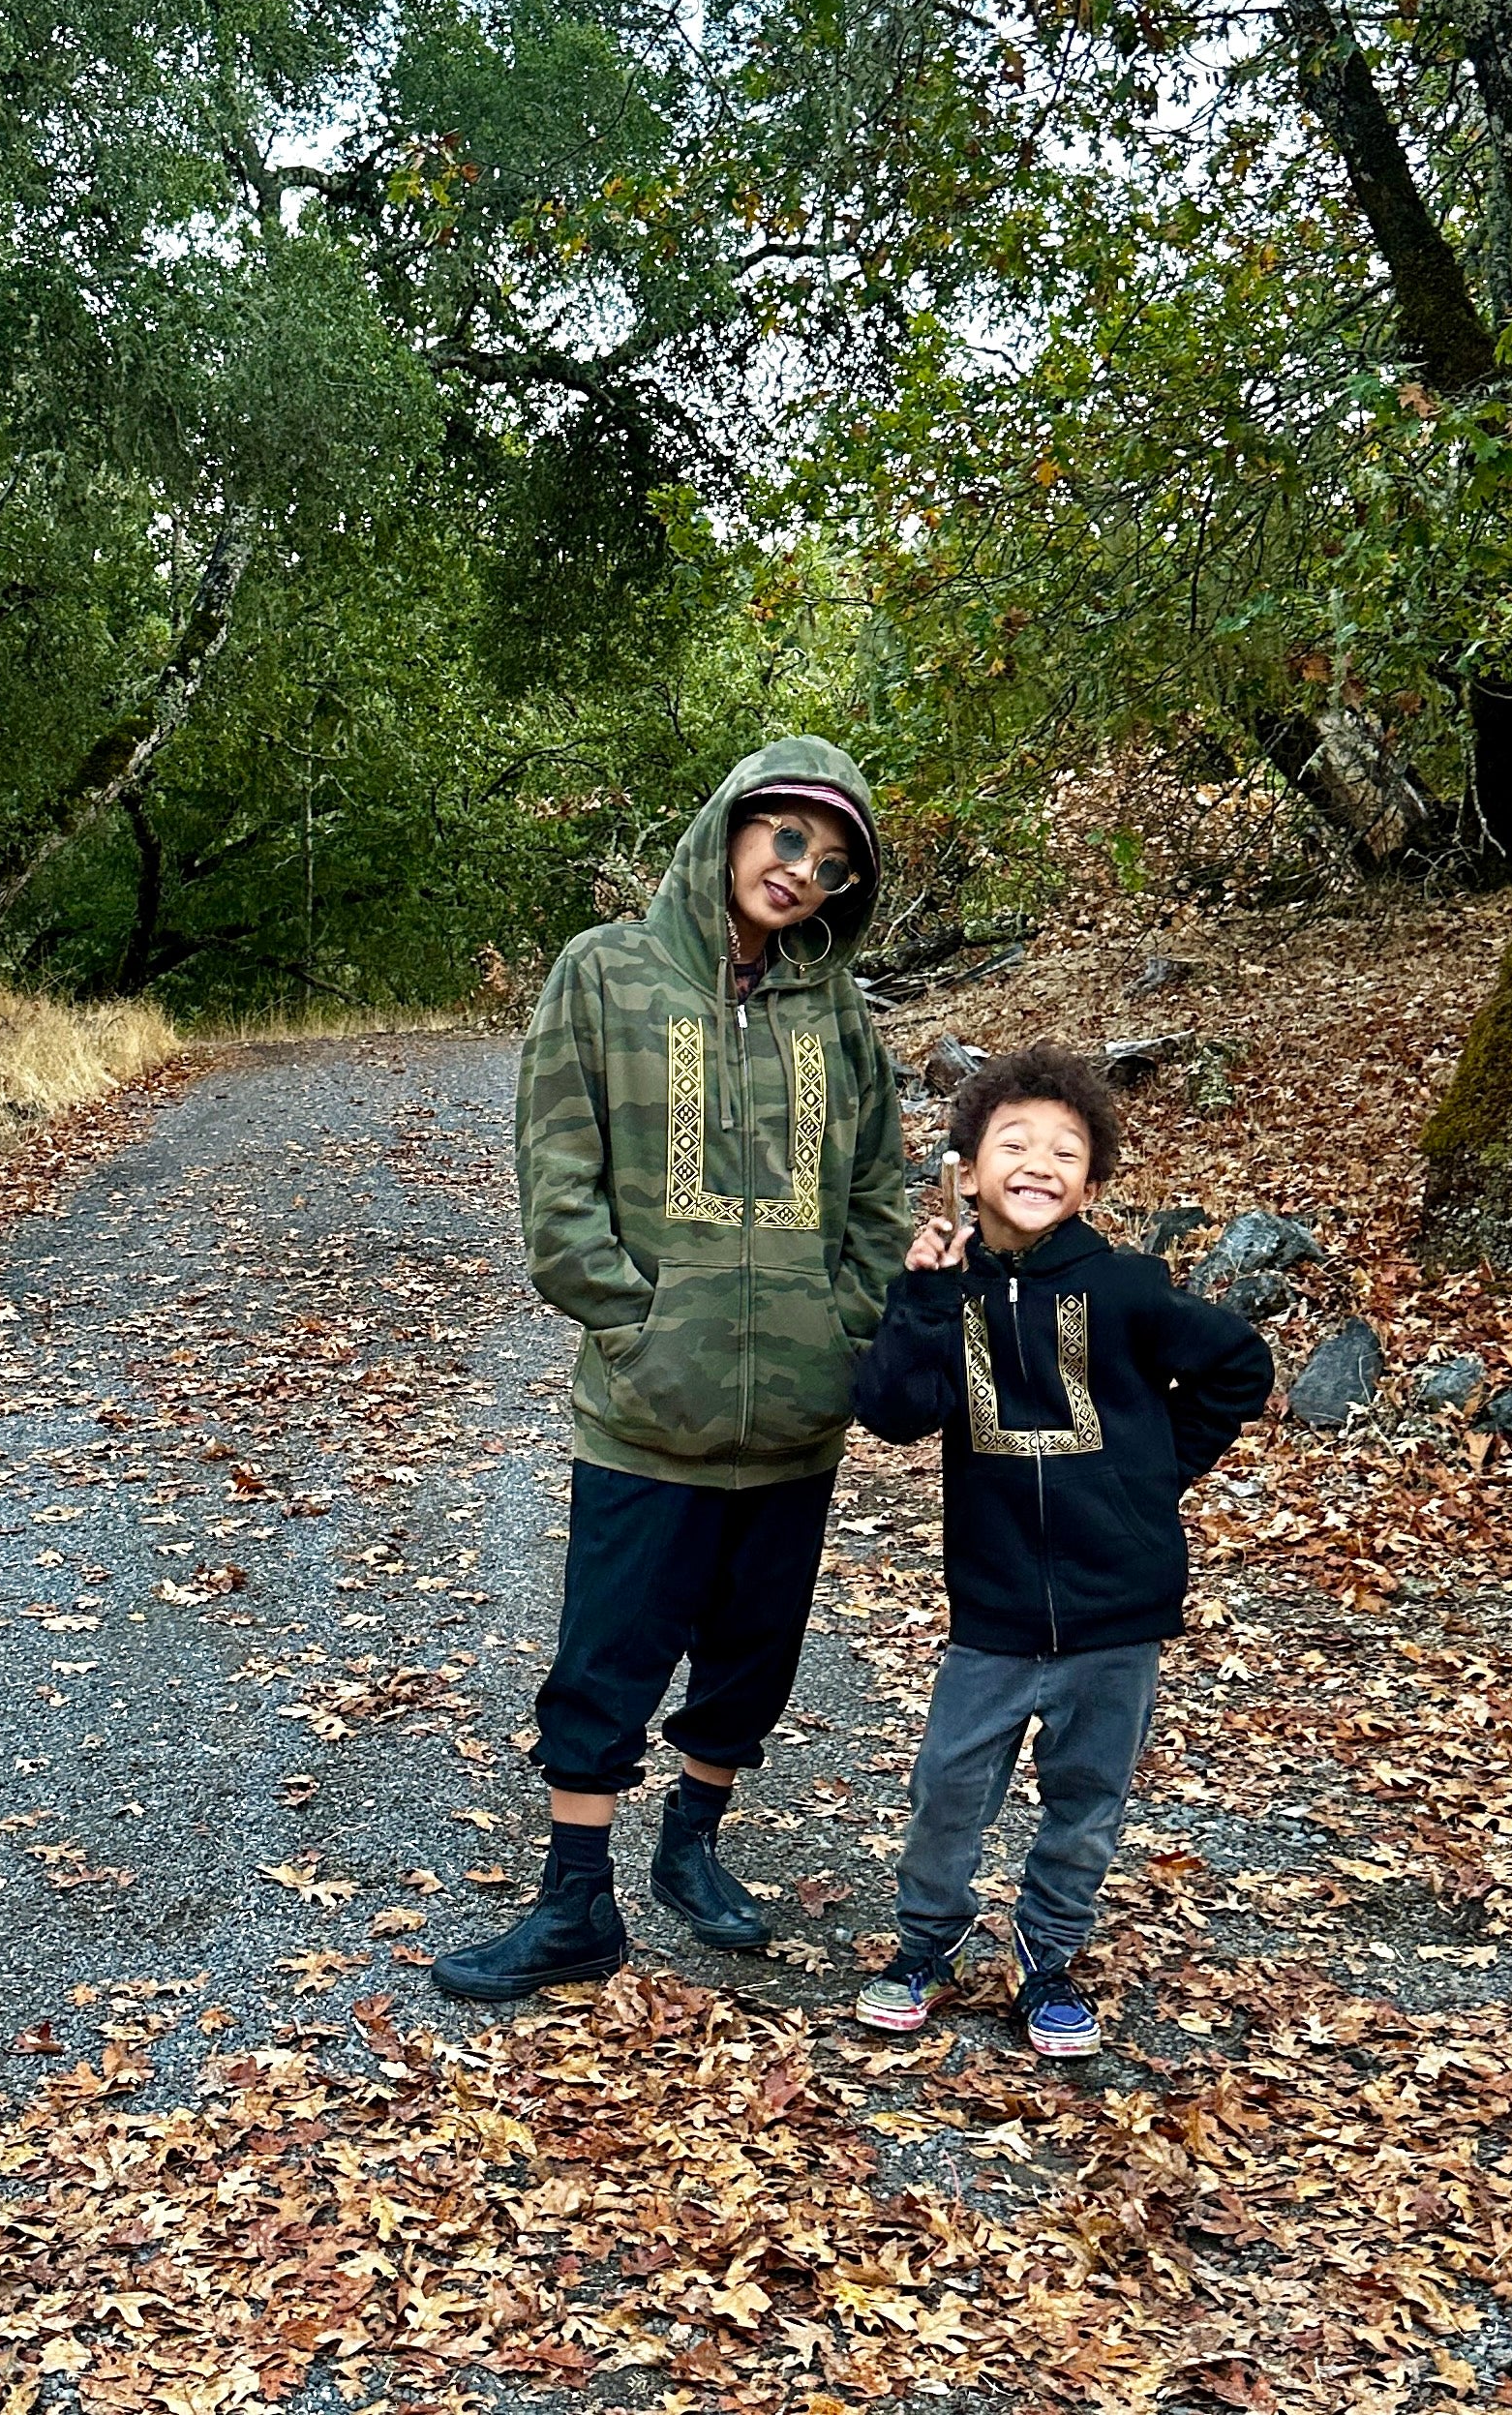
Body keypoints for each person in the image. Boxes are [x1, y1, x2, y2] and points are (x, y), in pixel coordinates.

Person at [433, 738, 913, 2001]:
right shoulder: (606, 974)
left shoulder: (841, 1013)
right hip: (646, 1416)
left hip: (795, 1422)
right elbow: (558, 1181)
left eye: (833, 860)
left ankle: (692, 1849)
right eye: (786, 837)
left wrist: (843, 1322)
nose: (802, 870)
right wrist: (633, 1323)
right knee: (608, 1652)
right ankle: (574, 1902)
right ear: (729, 828)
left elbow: (877, 1185)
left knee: (754, 1655)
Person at [850, 1042, 1273, 2056]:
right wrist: (919, 1301)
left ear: (1092, 1177)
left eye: (1066, 1149)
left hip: (1115, 1612)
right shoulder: (943, 1292)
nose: (1039, 1162)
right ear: (966, 1162)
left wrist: (1152, 1476)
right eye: (1015, 1142)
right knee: (949, 1784)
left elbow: (1238, 1365)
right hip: (993, 1608)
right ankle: (926, 1946)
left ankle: (1048, 1958)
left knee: (1085, 1797)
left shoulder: (1126, 1286)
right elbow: (895, 1414)